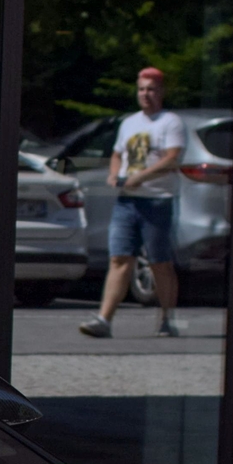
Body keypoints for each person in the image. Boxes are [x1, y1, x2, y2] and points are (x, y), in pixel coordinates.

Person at [79, 67, 184, 338]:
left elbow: (172, 158)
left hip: (157, 201)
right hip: (127, 202)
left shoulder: (170, 122)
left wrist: (142, 177)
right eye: (141, 89)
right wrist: (115, 174)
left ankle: (167, 318)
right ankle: (104, 319)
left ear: (161, 92)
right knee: (119, 258)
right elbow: (117, 154)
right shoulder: (129, 123)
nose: (145, 94)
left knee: (159, 262)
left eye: (151, 89)